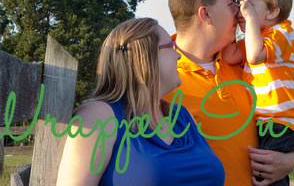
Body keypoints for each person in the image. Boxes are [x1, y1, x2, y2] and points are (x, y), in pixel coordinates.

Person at [166, 0, 294, 186]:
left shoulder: (245, 63)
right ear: (206, 14)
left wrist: (289, 159)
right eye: (231, 2)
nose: (239, 10)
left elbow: (283, 117)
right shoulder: (158, 79)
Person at [56, 17, 225, 186]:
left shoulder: (182, 116)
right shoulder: (99, 116)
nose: (178, 55)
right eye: (171, 46)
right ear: (144, 55)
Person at [221, 0, 294, 186]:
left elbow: (254, 56)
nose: (242, 10)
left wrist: (249, 19)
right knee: (262, 174)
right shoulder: (255, 39)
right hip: (266, 121)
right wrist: (230, 24)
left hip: (282, 121)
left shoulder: (282, 32)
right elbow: (229, 56)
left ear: (272, 11)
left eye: (248, 4)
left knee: (266, 175)